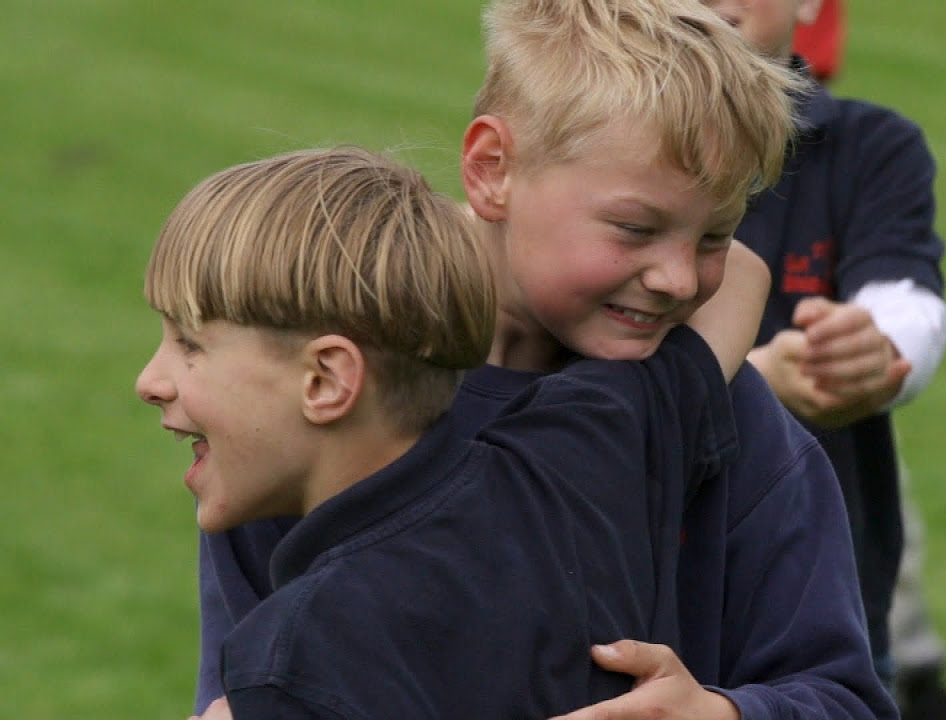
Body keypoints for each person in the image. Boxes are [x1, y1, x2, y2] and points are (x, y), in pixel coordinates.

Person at [191, 2, 899, 720]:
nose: (679, 279)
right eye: (635, 228)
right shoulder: (325, 402)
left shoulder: (736, 423)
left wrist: (722, 714)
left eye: (714, 237)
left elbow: (847, 698)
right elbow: (241, 686)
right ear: (492, 168)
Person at [138, 145, 774, 719]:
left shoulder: (294, 663)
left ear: (327, 381)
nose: (150, 380)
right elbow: (740, 276)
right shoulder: (579, 456)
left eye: (189, 344)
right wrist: (426, 267)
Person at [787, 3, 946, 717]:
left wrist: (876, 351)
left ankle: (919, 669)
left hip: (820, 616)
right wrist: (754, 382)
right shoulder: (592, 145)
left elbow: (908, 301)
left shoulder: (868, 149)